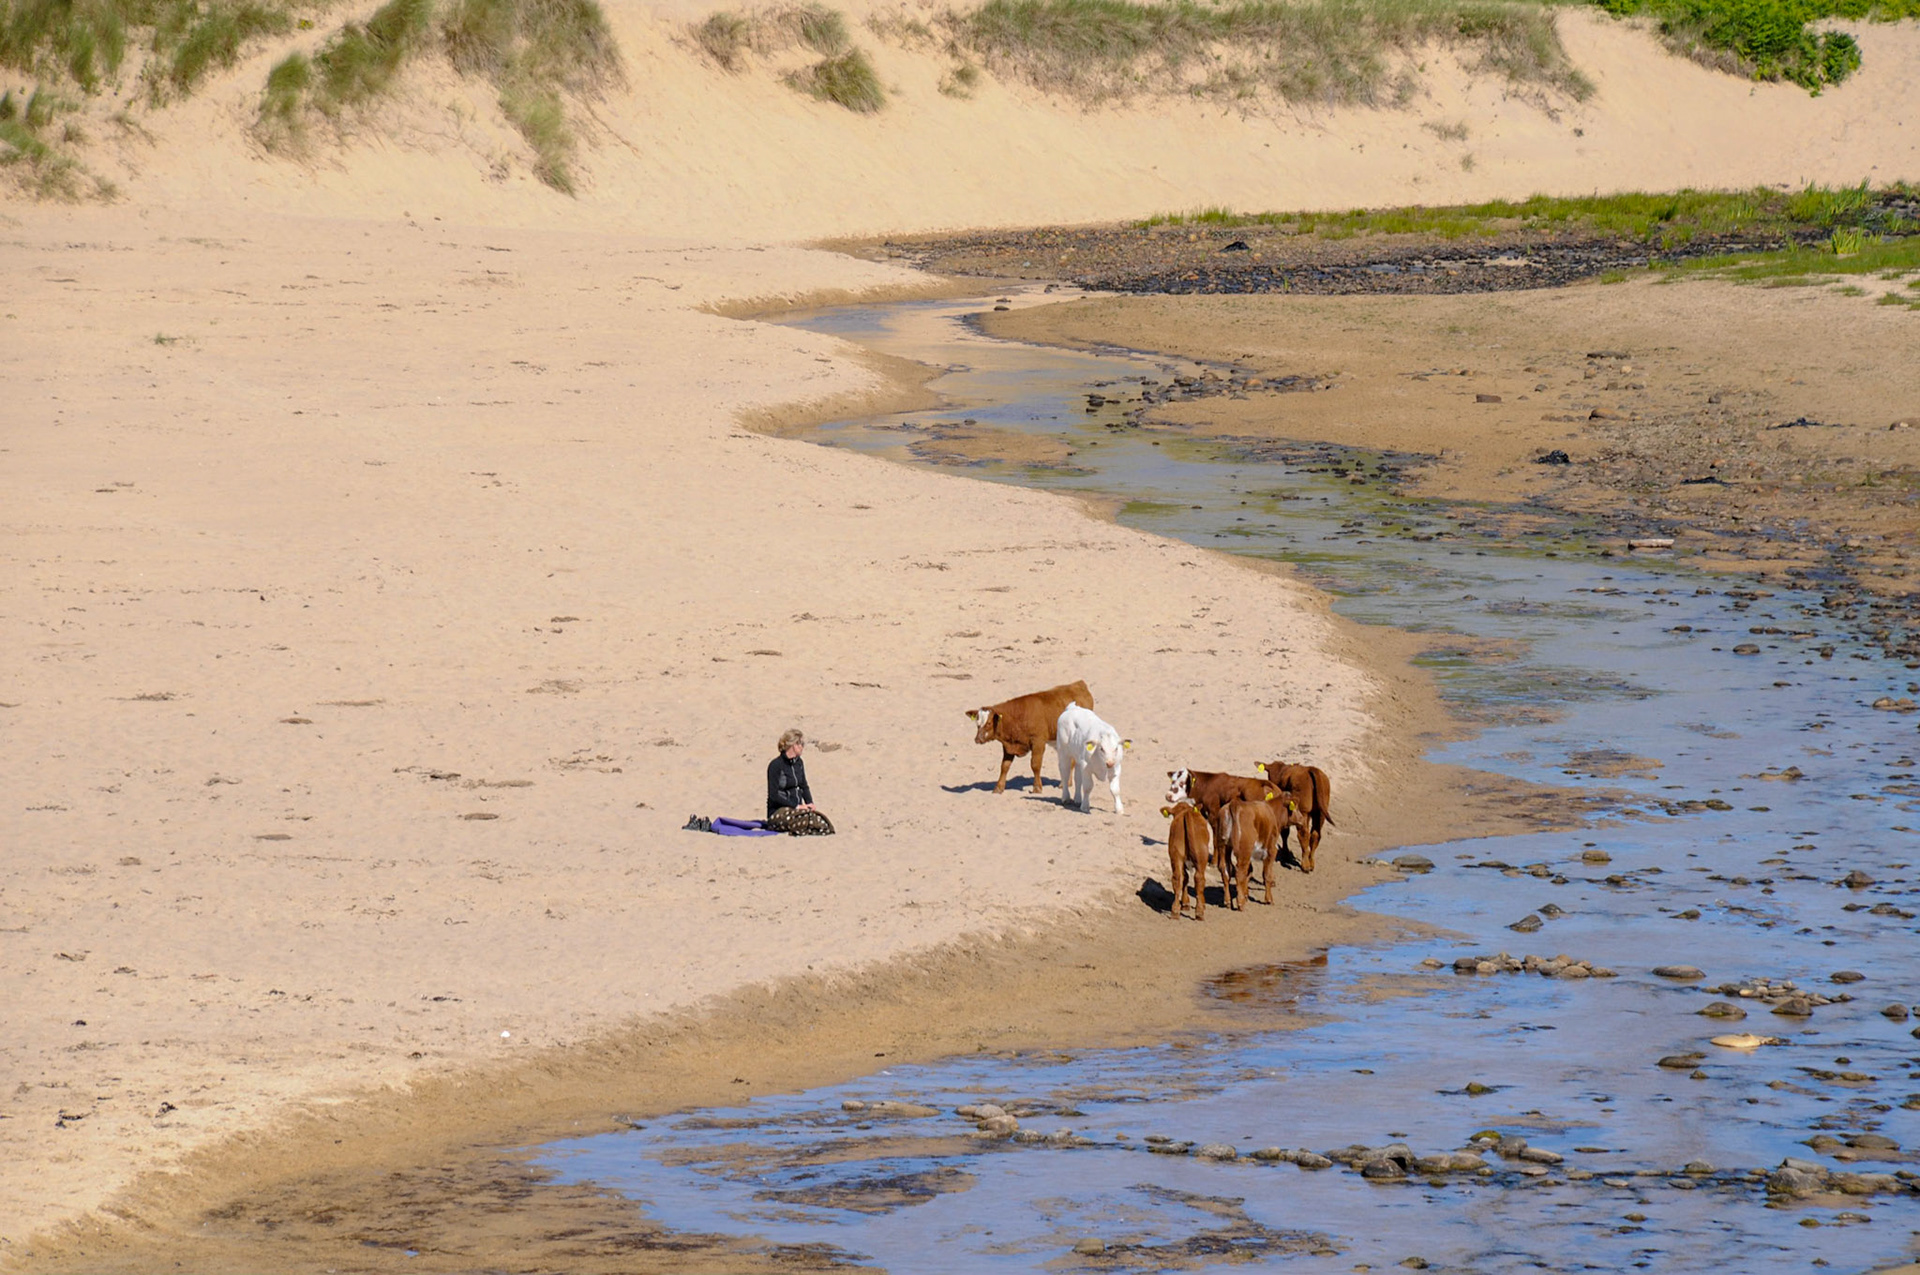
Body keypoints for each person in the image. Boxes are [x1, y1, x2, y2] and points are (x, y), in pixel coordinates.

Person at [765, 728, 834, 835]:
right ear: (792, 745)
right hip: (778, 812)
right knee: (804, 821)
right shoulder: (776, 765)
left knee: (820, 820)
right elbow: (774, 795)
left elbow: (803, 786)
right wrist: (796, 806)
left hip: (798, 811)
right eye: (800, 744)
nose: (802, 747)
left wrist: (809, 803)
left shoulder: (799, 763)